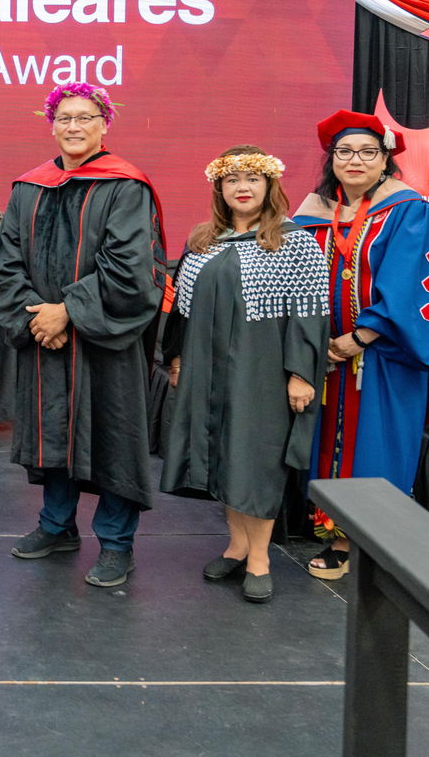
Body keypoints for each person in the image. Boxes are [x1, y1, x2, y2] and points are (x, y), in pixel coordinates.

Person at [0, 81, 165, 588]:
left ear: (104, 124)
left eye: (85, 117)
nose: (74, 127)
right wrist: (37, 318)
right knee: (53, 433)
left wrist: (67, 311)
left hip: (103, 339)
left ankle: (115, 543)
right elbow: (4, 267)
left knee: (111, 437)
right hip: (46, 337)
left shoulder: (126, 186)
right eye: (64, 118)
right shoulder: (30, 188)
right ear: (52, 125)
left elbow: (132, 268)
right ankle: (57, 525)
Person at [292, 110, 429, 581]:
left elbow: (415, 282)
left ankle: (367, 538)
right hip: (324, 355)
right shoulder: (312, 214)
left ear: (386, 159)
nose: (355, 160)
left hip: (386, 354)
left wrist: (362, 334)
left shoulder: (409, 210)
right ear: (332, 159)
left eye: (368, 151)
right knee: (328, 440)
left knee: (377, 442)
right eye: (344, 151)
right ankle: (332, 529)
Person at [159, 146, 329, 603]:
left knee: (257, 459)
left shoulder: (295, 242)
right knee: (221, 454)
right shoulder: (203, 241)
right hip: (207, 369)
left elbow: (309, 314)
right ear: (220, 189)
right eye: (232, 180)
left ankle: (260, 558)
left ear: (270, 186)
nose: (242, 188)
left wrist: (301, 373)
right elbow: (184, 312)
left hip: (263, 371)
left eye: (252, 179)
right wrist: (176, 357)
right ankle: (236, 546)